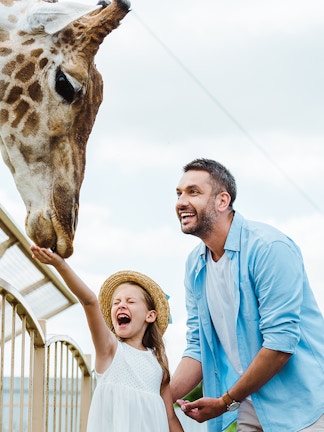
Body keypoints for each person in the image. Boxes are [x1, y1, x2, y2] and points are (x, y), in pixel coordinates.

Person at [170, 158, 324, 432]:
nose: (181, 201)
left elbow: (280, 344)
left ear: (222, 201)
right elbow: (198, 346)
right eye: (179, 193)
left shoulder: (269, 248)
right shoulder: (195, 265)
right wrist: (158, 398)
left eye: (193, 192)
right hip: (250, 403)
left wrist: (226, 400)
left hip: (305, 405)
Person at [30, 245, 184, 432]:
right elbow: (89, 301)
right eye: (116, 302)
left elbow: (169, 416)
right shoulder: (110, 350)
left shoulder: (158, 362)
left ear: (150, 316)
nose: (121, 306)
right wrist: (60, 265)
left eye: (130, 301)